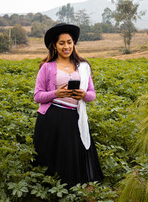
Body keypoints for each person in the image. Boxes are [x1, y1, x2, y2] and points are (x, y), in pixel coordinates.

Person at [33, 23, 103, 187]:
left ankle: (72, 191)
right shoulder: (47, 68)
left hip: (75, 117)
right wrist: (56, 94)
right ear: (55, 46)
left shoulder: (83, 66)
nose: (66, 46)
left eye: (69, 42)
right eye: (62, 43)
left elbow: (92, 94)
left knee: (72, 155)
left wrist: (83, 95)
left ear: (74, 44)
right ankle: (52, 191)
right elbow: (37, 96)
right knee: (54, 156)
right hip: (52, 117)